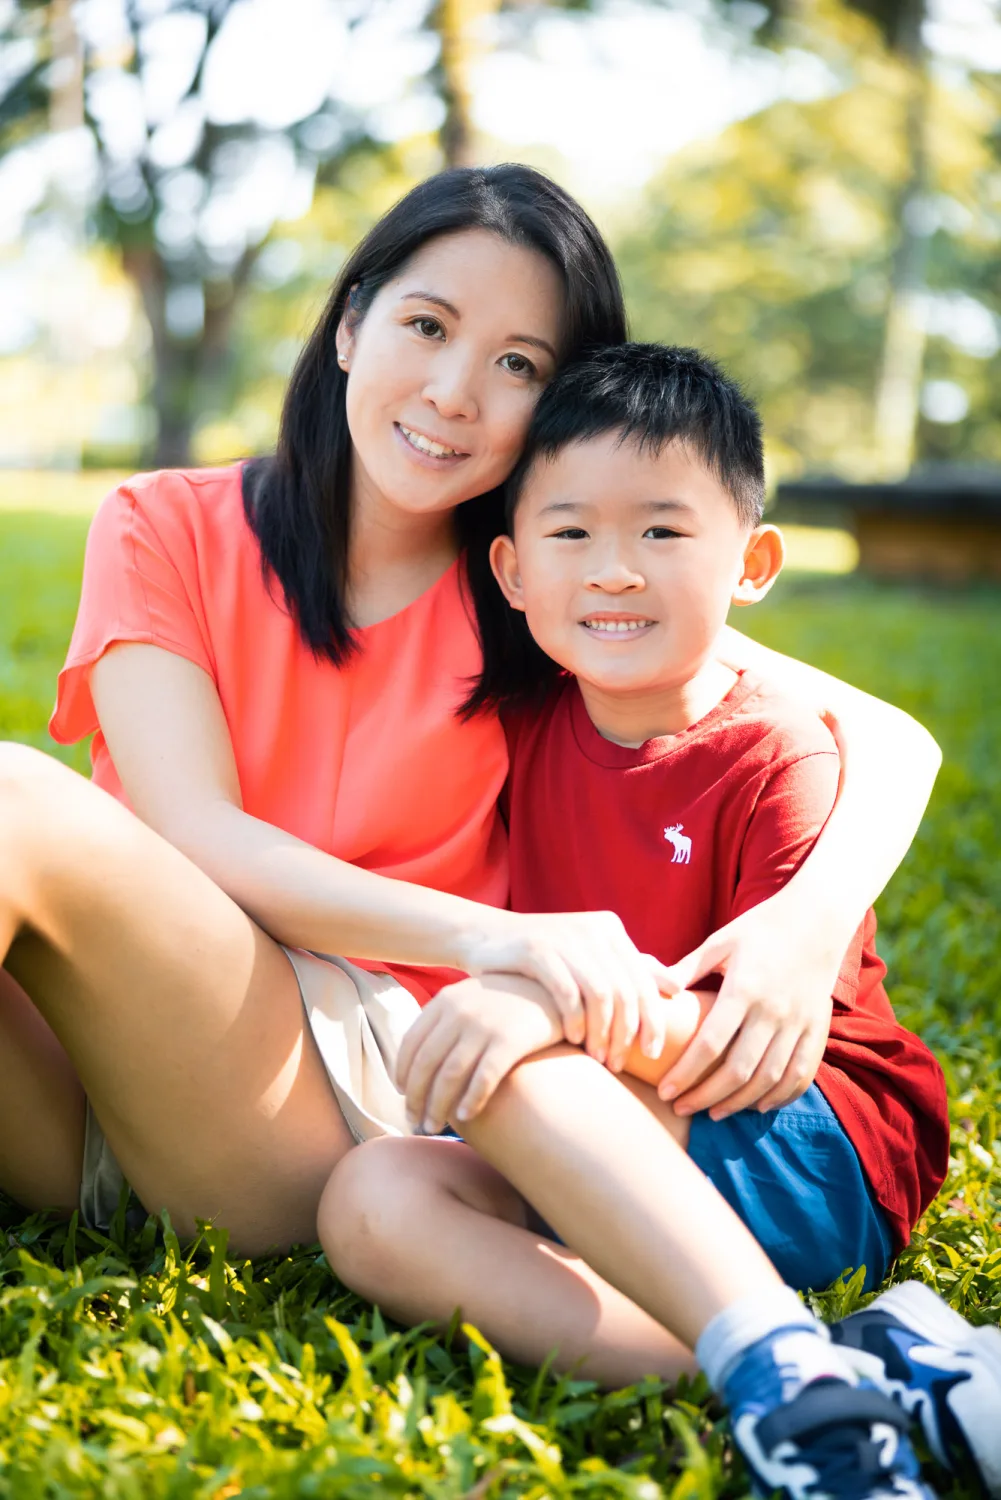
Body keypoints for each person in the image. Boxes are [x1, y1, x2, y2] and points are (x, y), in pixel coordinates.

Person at [0, 165, 940, 1252]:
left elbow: (880, 736)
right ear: (350, 325)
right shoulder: (165, 524)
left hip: (337, 1086)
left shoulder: (539, 589)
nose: (453, 391)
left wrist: (803, 925)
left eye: (515, 365)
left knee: (15, 799)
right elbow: (192, 831)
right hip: (99, 1067)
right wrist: (499, 936)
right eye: (425, 325)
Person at [318, 345, 1001, 1500]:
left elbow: (759, 1041)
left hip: (810, 1133)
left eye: (663, 533)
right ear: (512, 568)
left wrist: (541, 1005)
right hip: (615, 1132)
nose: (614, 573)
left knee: (517, 1077)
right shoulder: (519, 727)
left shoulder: (779, 749)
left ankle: (799, 1377)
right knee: (373, 1201)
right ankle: (831, 1377)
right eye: (571, 534)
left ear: (752, 563)